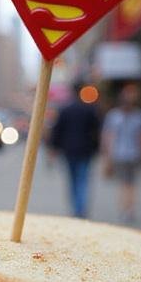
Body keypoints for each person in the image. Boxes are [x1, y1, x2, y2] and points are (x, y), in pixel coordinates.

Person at [48, 82, 101, 219]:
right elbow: (97, 131)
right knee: (83, 179)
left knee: (72, 179)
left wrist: (54, 149)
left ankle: (76, 208)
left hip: (69, 150)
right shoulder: (90, 110)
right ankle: (80, 208)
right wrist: (96, 148)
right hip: (85, 150)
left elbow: (57, 131)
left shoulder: (65, 110)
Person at [101, 82, 141, 224]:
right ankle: (129, 210)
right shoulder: (140, 116)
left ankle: (124, 210)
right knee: (132, 184)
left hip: (119, 154)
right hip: (132, 154)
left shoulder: (113, 116)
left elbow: (108, 137)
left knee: (123, 184)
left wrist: (107, 155)